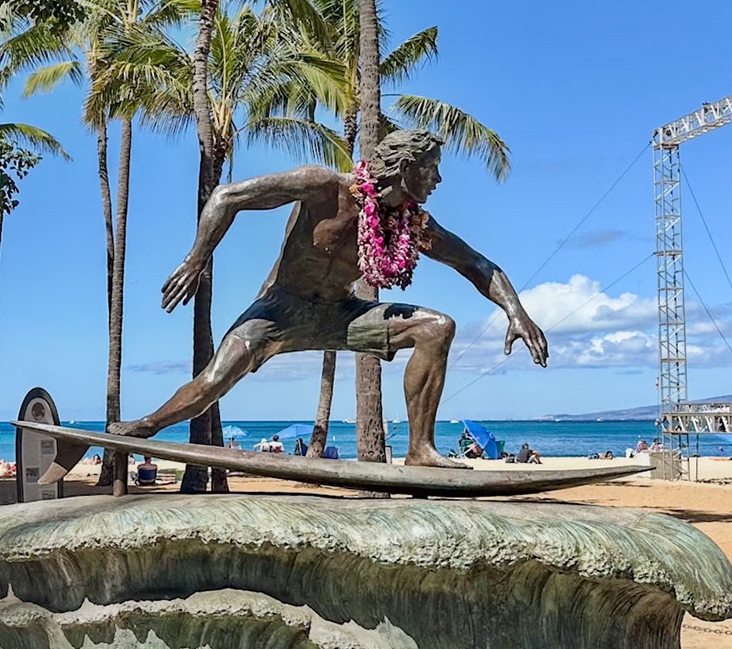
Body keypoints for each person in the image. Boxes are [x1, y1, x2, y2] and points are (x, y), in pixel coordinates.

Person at [43, 130, 548, 483]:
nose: (437, 180)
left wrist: (516, 312)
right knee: (211, 385)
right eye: (432, 169)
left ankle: (420, 448)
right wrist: (197, 260)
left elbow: (478, 264)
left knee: (437, 327)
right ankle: (131, 430)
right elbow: (226, 196)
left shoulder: (412, 224)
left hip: (340, 315)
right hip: (279, 311)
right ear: (406, 167)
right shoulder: (324, 188)